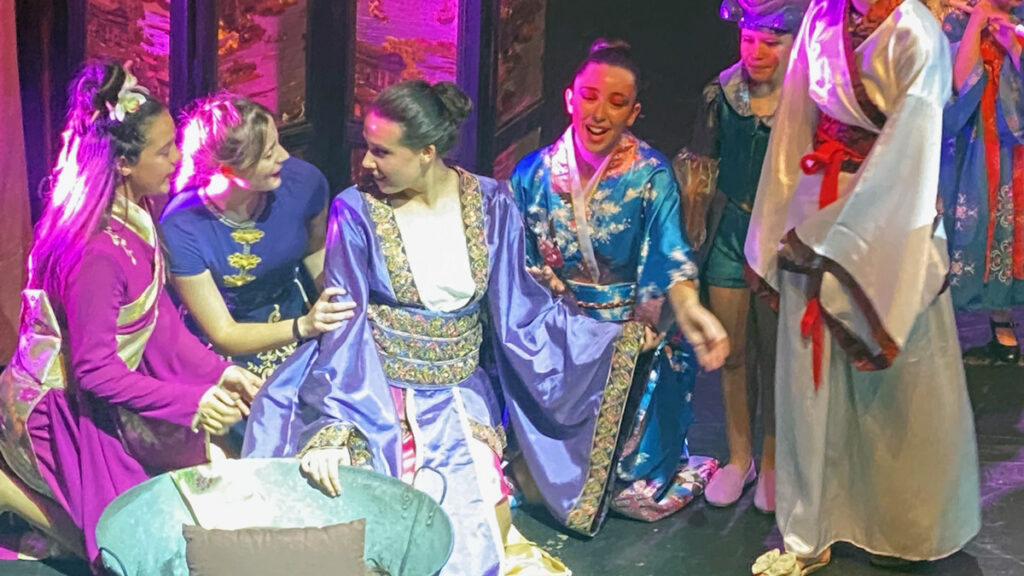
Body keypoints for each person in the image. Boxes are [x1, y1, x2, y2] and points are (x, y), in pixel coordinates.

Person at [243, 79, 726, 576]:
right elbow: (345, 327)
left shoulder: (491, 203)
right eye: (368, 148)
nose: (367, 162)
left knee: (470, 530)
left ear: (426, 152)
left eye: (382, 152)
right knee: (364, 522)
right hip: (372, 390)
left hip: (458, 395)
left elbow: (523, 313)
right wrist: (335, 425)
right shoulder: (356, 210)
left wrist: (613, 340)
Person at [745, 0, 980, 573]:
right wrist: (773, 224)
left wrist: (841, 240)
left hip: (890, 220)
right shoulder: (822, 17)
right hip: (813, 208)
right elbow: (793, 125)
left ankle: (900, 527)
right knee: (809, 381)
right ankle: (811, 528)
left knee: (892, 387)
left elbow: (912, 153)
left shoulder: (916, 33)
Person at [0, 61, 261, 568]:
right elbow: (95, 372)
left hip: (101, 391)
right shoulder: (97, 252)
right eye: (164, 151)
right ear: (123, 163)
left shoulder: (134, 218)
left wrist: (218, 372)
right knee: (127, 548)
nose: (178, 158)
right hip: (60, 408)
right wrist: (191, 402)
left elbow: (160, 324)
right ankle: (14, 492)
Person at [510, 39, 729, 522]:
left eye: (616, 102)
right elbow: (517, 263)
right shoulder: (532, 174)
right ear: (570, 98)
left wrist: (689, 307)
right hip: (559, 331)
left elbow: (670, 254)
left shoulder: (650, 175)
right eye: (589, 97)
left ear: (634, 112)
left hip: (627, 331)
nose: (599, 114)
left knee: (631, 486)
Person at [673, 0, 807, 513]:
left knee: (775, 355)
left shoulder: (807, 95)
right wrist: (693, 228)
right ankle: (739, 457)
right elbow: (701, 166)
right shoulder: (722, 93)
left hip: (782, 238)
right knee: (731, 351)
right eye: (749, 40)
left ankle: (772, 460)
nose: (757, 53)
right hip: (733, 231)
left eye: (770, 42)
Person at [161, 94, 355, 381]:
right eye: (268, 155)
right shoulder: (182, 226)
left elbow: (314, 252)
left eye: (278, 143)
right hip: (225, 348)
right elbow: (223, 334)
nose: (284, 157)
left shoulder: (304, 182)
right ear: (227, 169)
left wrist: (335, 304)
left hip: (296, 318)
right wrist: (304, 326)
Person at [940, 0, 1024, 365]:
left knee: (1012, 232)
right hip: (977, 142)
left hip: (1017, 146)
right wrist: (977, 19)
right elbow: (959, 84)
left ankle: (1005, 329)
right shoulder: (958, 20)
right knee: (978, 226)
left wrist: (1014, 44)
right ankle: (953, 334)